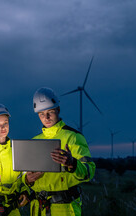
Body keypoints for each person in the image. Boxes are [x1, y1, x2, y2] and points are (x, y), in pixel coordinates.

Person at [24, 87, 96, 216]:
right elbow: (25, 175)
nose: (46, 117)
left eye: (50, 112)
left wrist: (72, 164)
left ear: (58, 109)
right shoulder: (35, 140)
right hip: (37, 208)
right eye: (41, 114)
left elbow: (89, 172)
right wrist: (27, 180)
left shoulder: (73, 137)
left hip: (64, 209)